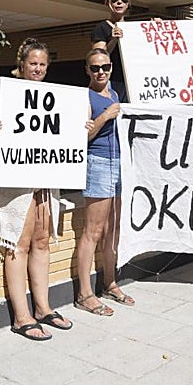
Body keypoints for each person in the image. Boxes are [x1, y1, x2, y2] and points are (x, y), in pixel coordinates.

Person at [0, 38, 72, 342]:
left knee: (42, 241)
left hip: (45, 181)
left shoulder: (54, 97)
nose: (37, 68)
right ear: (21, 64)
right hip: (17, 184)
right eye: (33, 63)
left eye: (42, 64)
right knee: (17, 244)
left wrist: (80, 129)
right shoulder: (7, 96)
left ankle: (43, 307)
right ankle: (22, 316)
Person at [74, 48, 134, 316]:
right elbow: (81, 138)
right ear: (87, 70)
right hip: (97, 163)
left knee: (114, 229)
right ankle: (84, 293)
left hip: (120, 162)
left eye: (106, 67)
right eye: (95, 68)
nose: (101, 72)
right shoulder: (84, 98)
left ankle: (110, 282)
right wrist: (104, 117)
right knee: (93, 230)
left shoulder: (115, 94)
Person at [91, 0, 130, 95]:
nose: (119, 2)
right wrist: (113, 40)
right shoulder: (101, 28)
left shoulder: (134, 28)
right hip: (112, 82)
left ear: (127, 4)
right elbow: (97, 59)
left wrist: (158, 26)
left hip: (133, 81)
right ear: (107, 3)